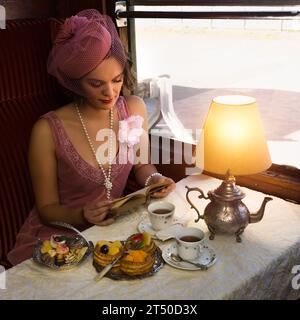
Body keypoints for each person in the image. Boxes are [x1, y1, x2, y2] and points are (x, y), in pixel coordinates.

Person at [8, 9, 175, 266]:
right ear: (75, 83)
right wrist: (81, 215)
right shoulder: (46, 130)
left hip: (115, 230)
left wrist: (155, 180)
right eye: (96, 84)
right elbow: (46, 209)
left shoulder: (134, 108)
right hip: (63, 238)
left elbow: (142, 166)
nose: (110, 92)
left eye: (117, 79)